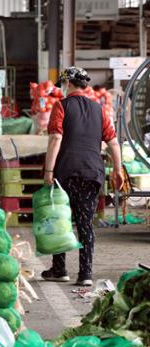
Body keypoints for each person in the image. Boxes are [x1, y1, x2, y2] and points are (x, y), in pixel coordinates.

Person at [42, 67, 124, 287]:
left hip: (66, 172)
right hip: (92, 173)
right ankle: (85, 273)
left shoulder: (62, 106)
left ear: (68, 84)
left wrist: (48, 170)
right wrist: (118, 169)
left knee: (61, 220)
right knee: (85, 222)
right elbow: (113, 143)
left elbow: (55, 139)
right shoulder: (99, 110)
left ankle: (60, 269)